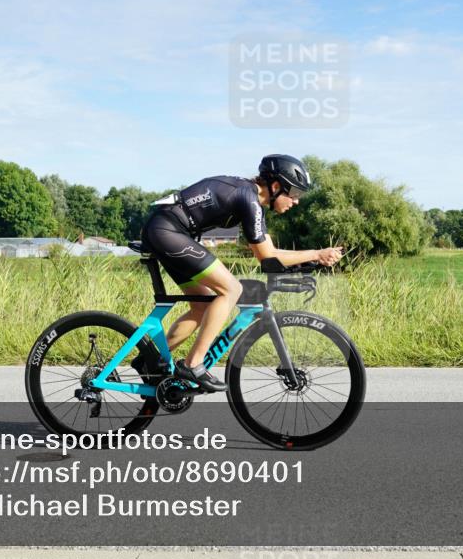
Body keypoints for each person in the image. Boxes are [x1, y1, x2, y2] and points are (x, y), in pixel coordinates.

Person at [135, 154, 343, 392]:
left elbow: (270, 252)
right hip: (168, 231)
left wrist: (310, 258)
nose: (295, 202)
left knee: (201, 306)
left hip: (168, 231)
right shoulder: (249, 199)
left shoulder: (250, 199)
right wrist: (317, 254)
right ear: (275, 187)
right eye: (294, 194)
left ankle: (150, 359)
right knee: (232, 289)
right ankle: (193, 364)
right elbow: (267, 256)